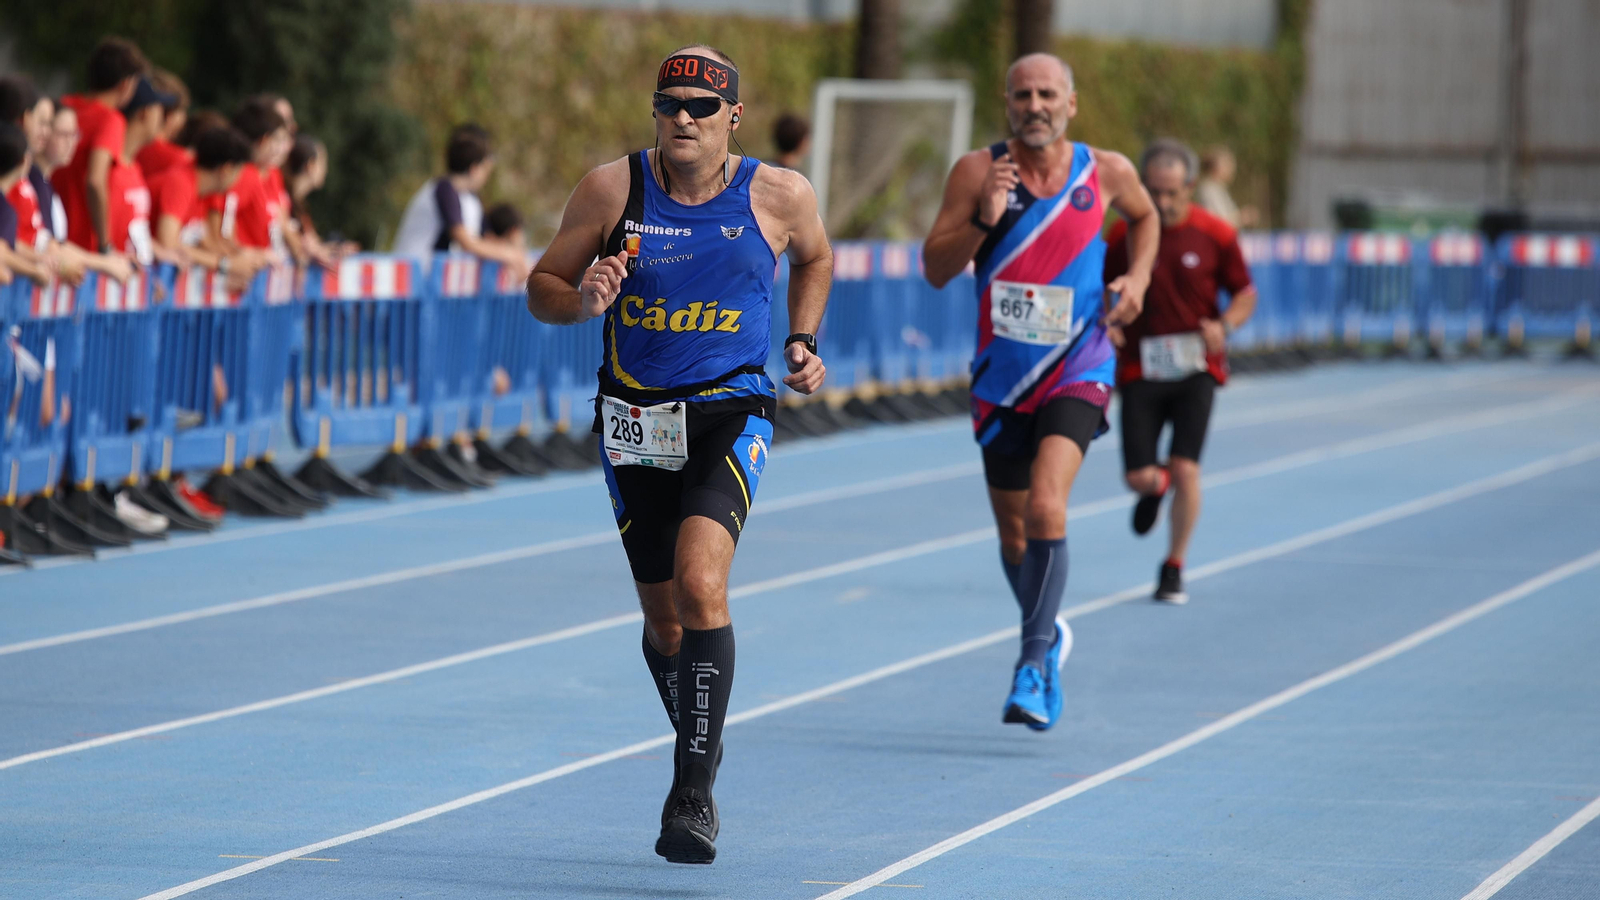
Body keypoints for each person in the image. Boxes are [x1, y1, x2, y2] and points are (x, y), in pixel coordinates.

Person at [526, 45, 831, 864]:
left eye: (702, 107)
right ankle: (705, 737)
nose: (684, 118)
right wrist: (581, 298)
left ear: (734, 116)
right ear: (655, 113)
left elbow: (815, 256)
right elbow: (541, 287)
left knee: (702, 585)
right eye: (670, 105)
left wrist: (802, 339)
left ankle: (691, 792)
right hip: (634, 421)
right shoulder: (611, 190)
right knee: (665, 624)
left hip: (731, 411)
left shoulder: (779, 194)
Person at [922, 53, 1158, 731]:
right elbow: (935, 268)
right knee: (1014, 531)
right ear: (1008, 103)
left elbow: (1146, 219)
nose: (1035, 105)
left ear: (1070, 104)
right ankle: (1046, 630)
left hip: (1079, 365)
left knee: (1047, 507)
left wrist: (1138, 279)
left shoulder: (1105, 171)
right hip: (1002, 377)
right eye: (1023, 94)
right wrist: (983, 220)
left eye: (1048, 94)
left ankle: (1032, 663)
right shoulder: (977, 171)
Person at [1105, 139, 1256, 604]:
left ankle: (1174, 566)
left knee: (1187, 467)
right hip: (1140, 367)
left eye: (1172, 192)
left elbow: (1245, 293)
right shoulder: (1123, 234)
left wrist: (1224, 326)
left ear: (1190, 187)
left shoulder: (1215, 233)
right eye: (1153, 192)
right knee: (1138, 477)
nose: (1162, 202)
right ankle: (1157, 485)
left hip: (1195, 367)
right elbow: (1099, 287)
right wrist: (1106, 322)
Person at [54, 37, 147, 252]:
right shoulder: (111, 120)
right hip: (80, 243)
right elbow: (95, 180)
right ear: (126, 84)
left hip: (49, 233)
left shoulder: (64, 105)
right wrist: (105, 243)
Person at [393, 124, 527, 269]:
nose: (487, 177)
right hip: (414, 274)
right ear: (475, 169)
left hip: (429, 275)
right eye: (486, 169)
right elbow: (466, 242)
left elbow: (486, 239)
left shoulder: (469, 198)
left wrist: (511, 243)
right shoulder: (444, 189)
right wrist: (509, 255)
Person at [149, 125, 256, 275]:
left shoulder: (207, 192)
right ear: (227, 169)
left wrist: (242, 257)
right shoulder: (181, 182)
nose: (239, 179)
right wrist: (224, 264)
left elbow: (205, 242)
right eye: (239, 171)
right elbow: (167, 242)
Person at [135, 68, 190, 182]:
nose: (184, 119)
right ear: (171, 116)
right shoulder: (180, 159)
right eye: (182, 111)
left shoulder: (128, 143)